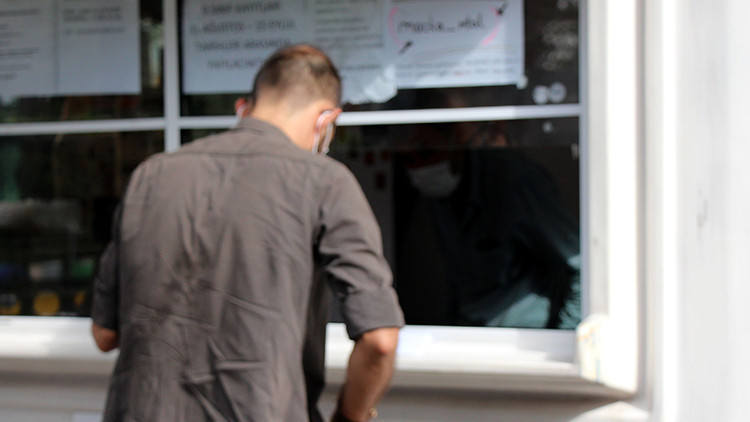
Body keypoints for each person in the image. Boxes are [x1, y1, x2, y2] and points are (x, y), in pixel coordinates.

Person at [90, 44, 404, 422]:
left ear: (244, 108)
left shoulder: (151, 175)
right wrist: (350, 416)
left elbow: (104, 335)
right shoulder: (325, 182)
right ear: (326, 120)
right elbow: (380, 340)